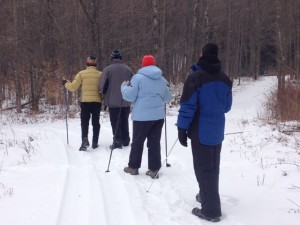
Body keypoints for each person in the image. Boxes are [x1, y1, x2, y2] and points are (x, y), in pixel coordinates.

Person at [177, 43, 232, 222]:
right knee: (212, 167)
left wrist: (182, 128)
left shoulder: (196, 78)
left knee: (204, 169)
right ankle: (205, 195)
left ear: (203, 54)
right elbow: (226, 106)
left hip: (201, 131)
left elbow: (188, 106)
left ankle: (211, 211)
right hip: (217, 130)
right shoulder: (225, 79)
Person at [121, 55, 172, 179]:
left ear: (143, 64)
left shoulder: (137, 78)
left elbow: (130, 97)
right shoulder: (162, 79)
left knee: (138, 142)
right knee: (154, 142)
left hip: (141, 117)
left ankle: (133, 167)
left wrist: (124, 87)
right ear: (154, 64)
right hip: (158, 117)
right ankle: (154, 169)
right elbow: (167, 98)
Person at [62, 56, 102, 151]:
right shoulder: (101, 74)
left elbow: (73, 87)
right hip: (97, 102)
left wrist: (65, 83)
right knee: (96, 122)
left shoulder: (81, 74)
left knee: (84, 122)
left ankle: (84, 140)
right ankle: (95, 142)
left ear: (87, 63)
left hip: (85, 102)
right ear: (95, 64)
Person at [99, 50, 133, 150]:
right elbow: (133, 83)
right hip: (126, 100)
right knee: (124, 120)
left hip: (113, 101)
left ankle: (117, 140)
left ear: (112, 58)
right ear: (120, 58)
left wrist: (103, 94)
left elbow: (102, 86)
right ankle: (126, 140)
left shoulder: (107, 70)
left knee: (115, 121)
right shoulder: (128, 69)